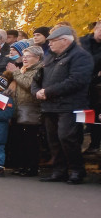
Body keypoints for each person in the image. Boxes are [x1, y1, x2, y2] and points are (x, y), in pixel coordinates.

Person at [33, 26, 94, 184]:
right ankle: (59, 170)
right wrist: (37, 91)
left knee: (67, 137)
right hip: (50, 105)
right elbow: (37, 77)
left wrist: (48, 91)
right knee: (52, 139)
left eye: (53, 41)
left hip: (70, 105)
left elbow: (76, 81)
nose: (50, 44)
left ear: (65, 41)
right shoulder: (50, 57)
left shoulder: (81, 56)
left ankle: (76, 170)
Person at [7, 46, 44, 176]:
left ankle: (32, 167)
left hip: (31, 109)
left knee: (31, 141)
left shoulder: (39, 69)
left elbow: (29, 84)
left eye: (28, 56)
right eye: (24, 56)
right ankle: (22, 165)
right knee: (20, 140)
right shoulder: (23, 69)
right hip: (18, 109)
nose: (25, 58)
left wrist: (15, 73)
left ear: (37, 58)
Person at [79, 21, 101, 154]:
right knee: (81, 116)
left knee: (96, 115)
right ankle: (79, 145)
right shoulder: (83, 42)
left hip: (96, 88)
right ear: (95, 29)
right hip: (83, 85)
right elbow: (87, 61)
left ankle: (95, 144)